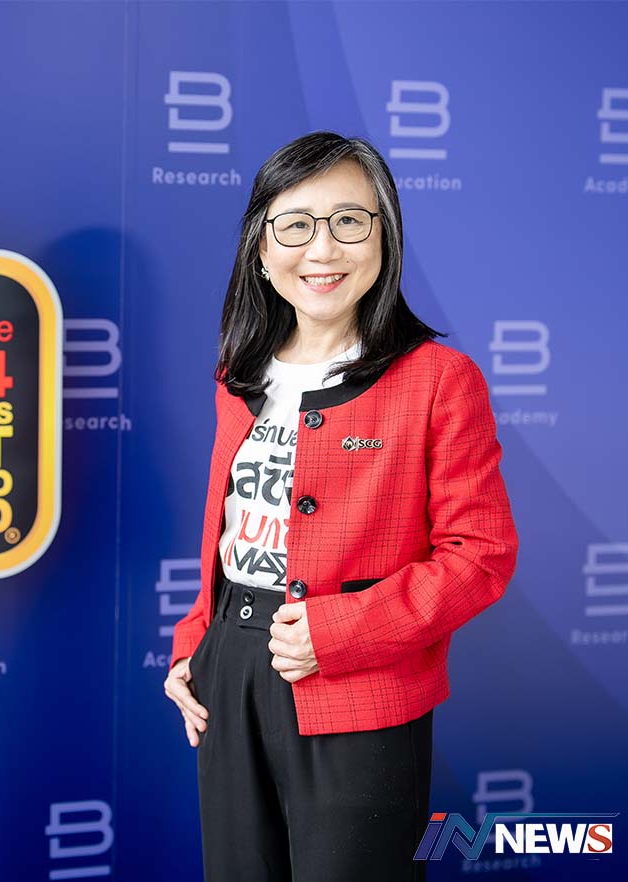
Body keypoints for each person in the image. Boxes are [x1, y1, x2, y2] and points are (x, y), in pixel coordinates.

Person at [162, 131, 519, 882]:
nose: (322, 249)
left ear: (385, 237)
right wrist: (195, 643)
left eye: (349, 221)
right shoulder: (238, 373)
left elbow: (480, 557)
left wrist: (339, 632)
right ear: (261, 248)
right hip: (229, 670)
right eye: (295, 225)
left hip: (359, 679)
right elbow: (232, 525)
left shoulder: (438, 380)